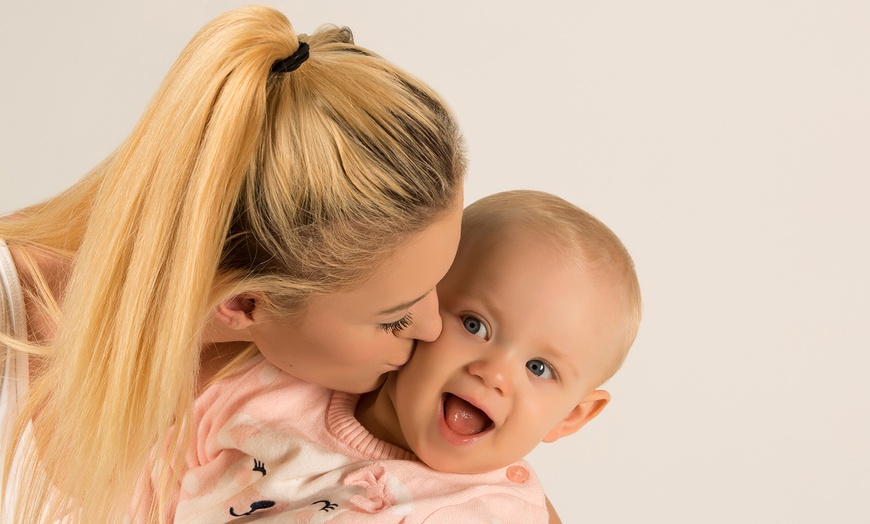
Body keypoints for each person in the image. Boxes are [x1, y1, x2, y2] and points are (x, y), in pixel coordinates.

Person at [0, 6, 466, 523]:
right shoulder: (10, 331)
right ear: (242, 303)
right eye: (393, 318)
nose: (435, 327)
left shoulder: (339, 367)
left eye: (439, 282)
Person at [153, 190, 642, 523]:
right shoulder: (270, 385)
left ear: (573, 416)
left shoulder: (488, 511)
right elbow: (144, 482)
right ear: (419, 302)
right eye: (474, 325)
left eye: (539, 368)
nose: (493, 373)